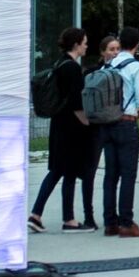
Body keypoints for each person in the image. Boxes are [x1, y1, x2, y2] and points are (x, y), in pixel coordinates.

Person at [31, 27, 93, 232]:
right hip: (71, 127)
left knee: (59, 170)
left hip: (59, 124)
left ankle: (39, 214)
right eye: (84, 42)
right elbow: (76, 102)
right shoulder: (72, 68)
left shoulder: (59, 64)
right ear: (76, 44)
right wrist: (87, 123)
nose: (86, 45)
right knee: (68, 171)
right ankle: (66, 219)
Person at [98, 28, 139, 238]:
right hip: (127, 123)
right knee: (128, 174)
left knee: (111, 174)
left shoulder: (110, 63)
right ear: (137, 44)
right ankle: (126, 222)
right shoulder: (135, 66)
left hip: (108, 122)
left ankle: (110, 222)